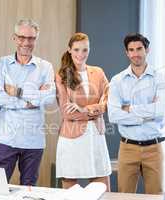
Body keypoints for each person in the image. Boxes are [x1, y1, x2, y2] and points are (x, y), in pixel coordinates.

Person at [0, 19, 56, 186]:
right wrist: (31, 100)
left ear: (36, 39)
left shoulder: (45, 67)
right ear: (14, 38)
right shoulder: (1, 63)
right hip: (5, 137)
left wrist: (18, 92)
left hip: (33, 138)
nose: (26, 42)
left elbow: (49, 98)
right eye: (22, 37)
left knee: (29, 187)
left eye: (31, 38)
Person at [108, 33, 165, 194]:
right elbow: (113, 115)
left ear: (147, 50)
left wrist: (129, 109)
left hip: (154, 147)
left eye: (139, 48)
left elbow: (160, 111)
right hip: (128, 148)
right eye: (131, 50)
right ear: (127, 53)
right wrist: (149, 111)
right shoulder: (117, 80)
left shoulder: (160, 78)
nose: (135, 53)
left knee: (156, 196)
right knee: (124, 196)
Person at [55, 32, 111, 190]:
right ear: (69, 50)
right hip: (72, 137)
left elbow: (108, 100)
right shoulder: (61, 76)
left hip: (96, 135)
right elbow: (67, 113)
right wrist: (96, 110)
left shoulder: (98, 72)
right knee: (70, 188)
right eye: (77, 49)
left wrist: (85, 109)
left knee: (103, 188)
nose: (81, 54)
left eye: (85, 50)